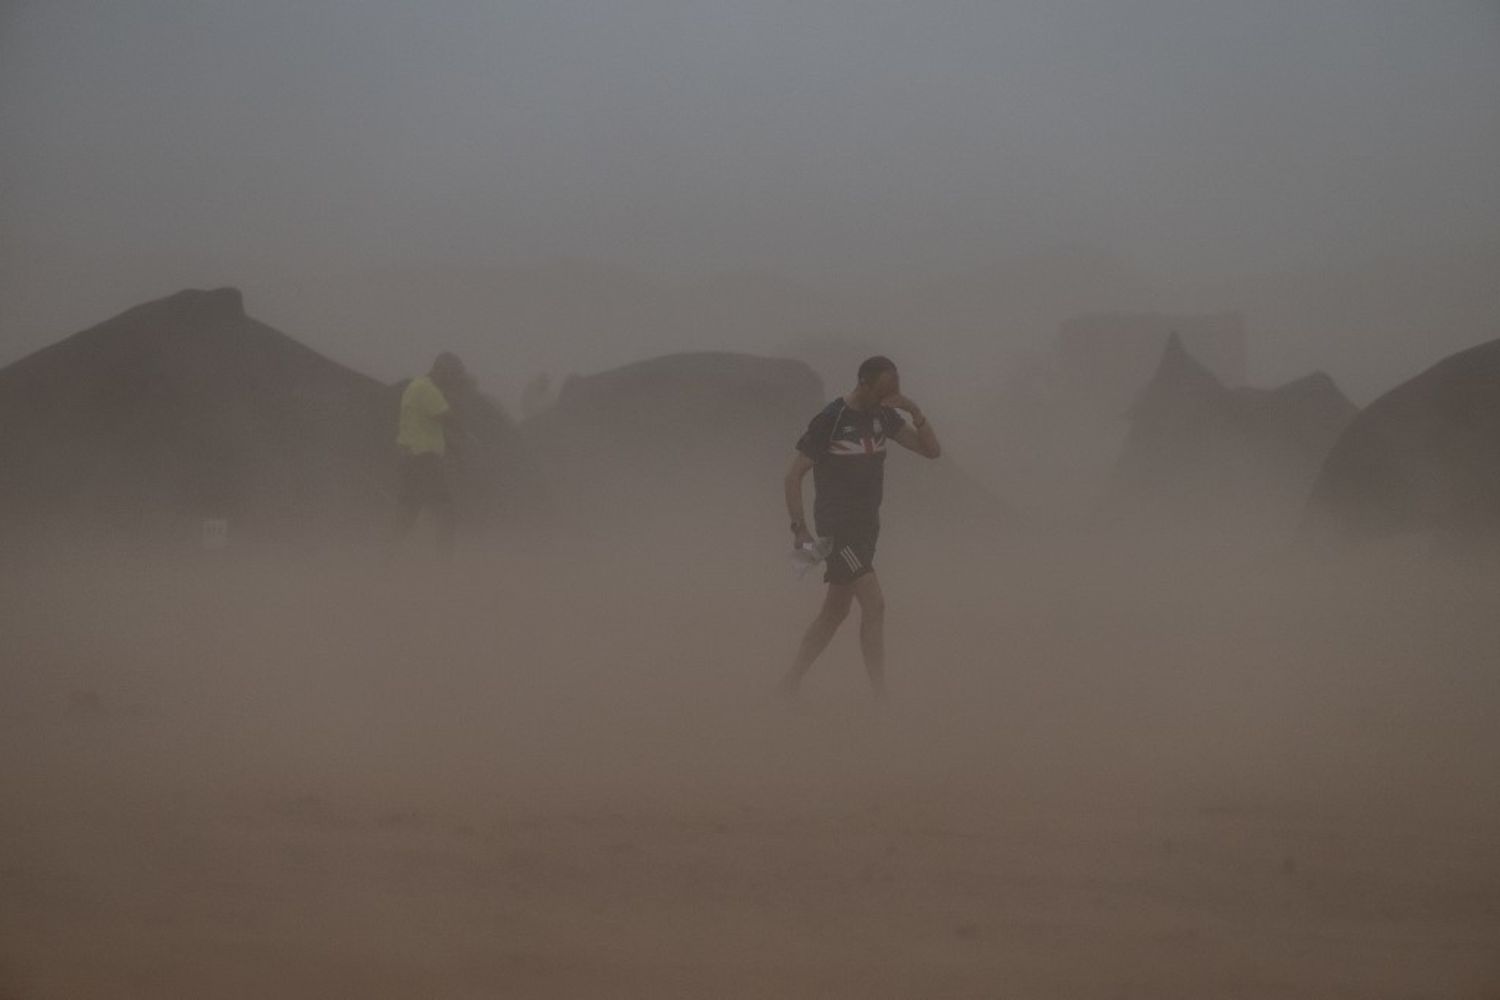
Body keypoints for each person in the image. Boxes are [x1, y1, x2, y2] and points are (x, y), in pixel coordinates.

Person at [779, 356, 942, 700]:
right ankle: (880, 697)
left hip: (868, 527)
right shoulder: (832, 418)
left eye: (892, 392)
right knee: (875, 604)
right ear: (863, 384)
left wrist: (914, 410)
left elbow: (931, 451)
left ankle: (789, 682)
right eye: (881, 392)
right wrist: (799, 529)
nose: (886, 399)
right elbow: (793, 476)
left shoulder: (884, 415)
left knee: (834, 612)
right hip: (838, 527)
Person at [389, 352, 469, 556]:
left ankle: (384, 558)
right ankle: (444, 564)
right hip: (424, 460)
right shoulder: (428, 389)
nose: (452, 380)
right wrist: (459, 397)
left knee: (407, 515)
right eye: (452, 375)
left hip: (410, 458)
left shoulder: (415, 386)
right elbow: (452, 420)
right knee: (446, 513)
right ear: (441, 370)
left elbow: (430, 426)